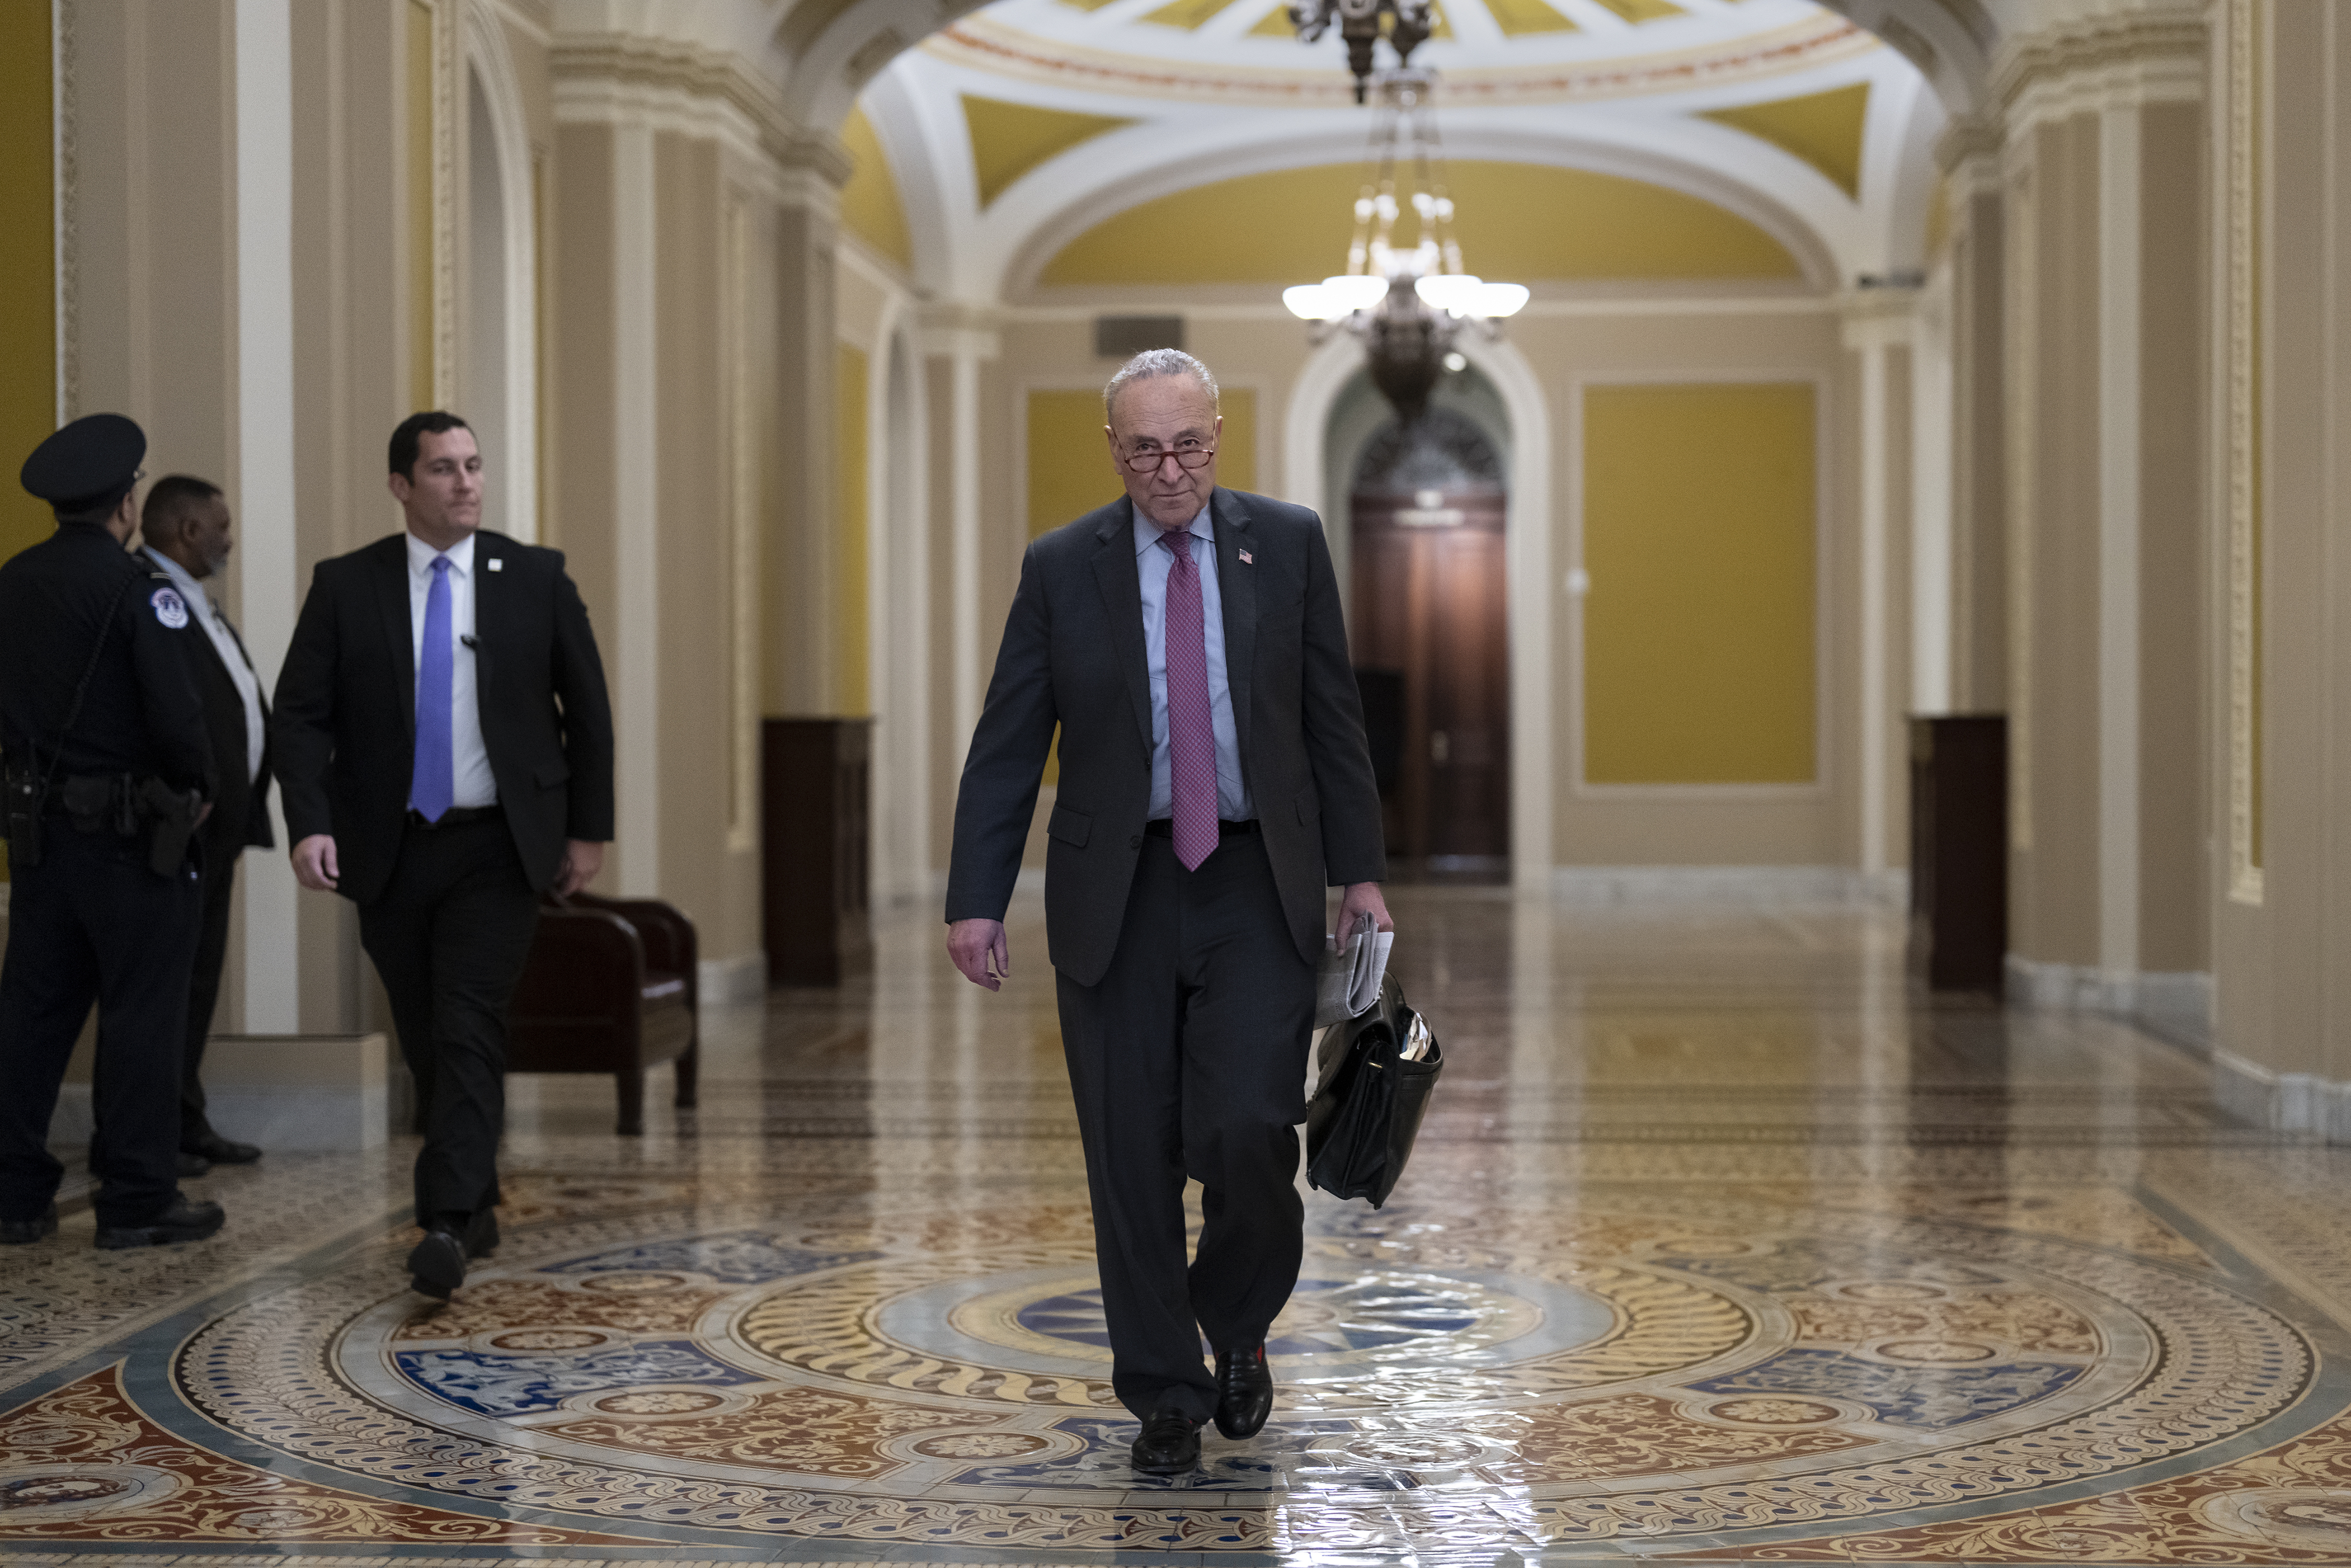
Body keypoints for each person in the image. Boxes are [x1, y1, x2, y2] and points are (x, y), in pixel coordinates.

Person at [945, 349, 1390, 1476]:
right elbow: (1009, 741)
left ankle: (1234, 1322)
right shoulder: (1062, 566)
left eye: (1188, 442)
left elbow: (1333, 715)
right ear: (1114, 450)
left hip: (1255, 876)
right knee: (1128, 1152)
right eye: (1145, 447)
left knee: (1248, 1124)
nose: (1169, 467)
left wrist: (1363, 871)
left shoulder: (1284, 542)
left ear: (1219, 435)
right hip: (1118, 889)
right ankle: (1165, 1390)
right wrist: (975, 900)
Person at [273, 411, 613, 1300]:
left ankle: (447, 1223)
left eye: (474, 465)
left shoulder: (533, 576)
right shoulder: (348, 585)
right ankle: (472, 1195)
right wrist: (309, 822)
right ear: (401, 485)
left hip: (498, 844)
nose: (466, 482)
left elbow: (589, 708)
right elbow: (300, 714)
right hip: (389, 850)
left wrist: (588, 827)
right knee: (426, 1032)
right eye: (443, 469)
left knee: (468, 1022)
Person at [0, 414, 224, 1249]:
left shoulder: (12, 582)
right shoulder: (141, 590)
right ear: (127, 502)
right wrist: (199, 785)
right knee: (140, 1014)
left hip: (40, 839)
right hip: (134, 841)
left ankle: (14, 1193)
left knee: (31, 1013)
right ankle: (136, 1196)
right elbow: (178, 713)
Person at [138, 476, 273, 1174]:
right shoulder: (149, 597)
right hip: (180, 827)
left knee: (200, 976)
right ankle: (155, 1129)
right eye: (221, 525)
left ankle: (184, 1116)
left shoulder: (196, 602)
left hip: (220, 827)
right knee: (172, 981)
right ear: (187, 530)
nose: (229, 537)